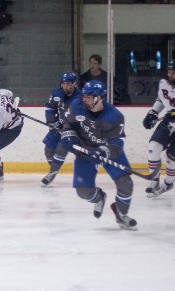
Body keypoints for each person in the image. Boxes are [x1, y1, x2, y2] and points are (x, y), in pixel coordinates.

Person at [60, 81, 137, 230]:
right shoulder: (77, 106)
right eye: (84, 95)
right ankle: (100, 197)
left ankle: (121, 214)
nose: (84, 99)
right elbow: (68, 124)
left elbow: (117, 144)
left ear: (99, 98)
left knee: (126, 184)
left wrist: (103, 151)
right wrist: (68, 135)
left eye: (89, 97)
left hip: (107, 151)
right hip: (85, 151)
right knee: (83, 192)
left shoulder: (115, 116)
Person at [41, 72, 81, 187]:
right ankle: (54, 169)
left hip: (73, 127)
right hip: (58, 125)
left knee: (61, 149)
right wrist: (51, 122)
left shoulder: (80, 97)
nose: (65, 86)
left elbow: (78, 115)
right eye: (63, 84)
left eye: (68, 84)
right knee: (48, 150)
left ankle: (52, 172)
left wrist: (65, 121)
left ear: (74, 84)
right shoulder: (56, 93)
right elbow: (50, 107)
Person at [142, 60, 175, 196]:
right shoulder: (164, 83)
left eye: (174, 73)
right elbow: (162, 99)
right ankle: (154, 180)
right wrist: (154, 112)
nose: (171, 75)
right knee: (153, 147)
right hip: (169, 119)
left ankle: (168, 184)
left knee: (171, 158)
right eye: (169, 72)